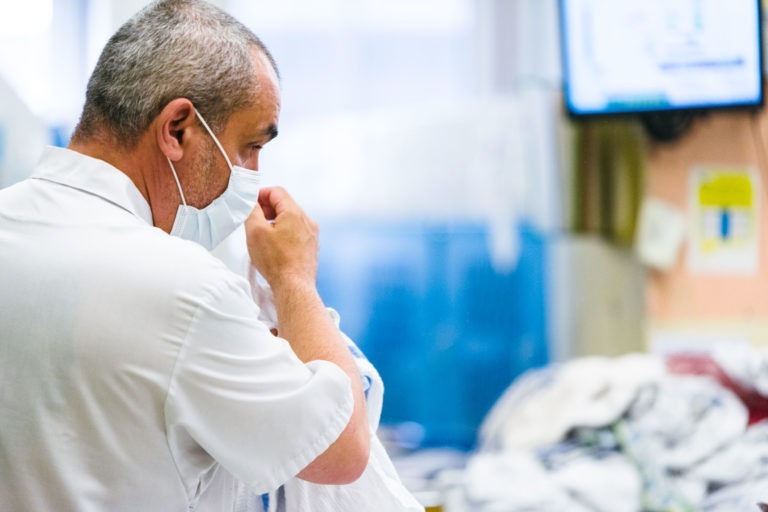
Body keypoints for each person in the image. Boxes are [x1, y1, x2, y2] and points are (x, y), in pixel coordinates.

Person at [0, 1, 374, 510]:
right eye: (249, 146)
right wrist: (293, 280)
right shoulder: (185, 290)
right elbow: (340, 451)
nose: (252, 174)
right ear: (177, 129)